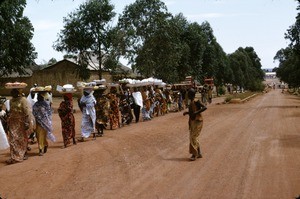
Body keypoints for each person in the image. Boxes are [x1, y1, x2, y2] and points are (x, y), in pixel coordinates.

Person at [6, 87, 31, 164]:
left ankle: (23, 153)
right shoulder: (11, 101)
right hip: (13, 122)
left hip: (21, 123)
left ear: (17, 92)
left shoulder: (23, 100)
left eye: (13, 92)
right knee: (13, 139)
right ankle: (14, 156)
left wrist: (27, 122)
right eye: (11, 92)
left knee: (22, 139)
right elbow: (10, 111)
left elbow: (27, 112)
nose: (11, 93)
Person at [183, 88, 207, 161]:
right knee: (193, 137)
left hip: (198, 121)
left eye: (189, 94)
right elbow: (192, 112)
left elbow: (205, 107)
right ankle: (199, 153)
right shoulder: (192, 102)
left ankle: (194, 154)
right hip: (193, 121)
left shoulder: (196, 101)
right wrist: (187, 113)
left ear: (191, 95)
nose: (188, 96)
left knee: (193, 137)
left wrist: (196, 112)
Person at [33, 90, 56, 156]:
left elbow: (49, 113)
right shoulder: (35, 104)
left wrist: (48, 121)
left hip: (45, 123)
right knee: (38, 136)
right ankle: (42, 147)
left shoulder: (45, 104)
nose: (37, 97)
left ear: (42, 97)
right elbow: (33, 112)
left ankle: (43, 147)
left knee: (43, 136)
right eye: (37, 96)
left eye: (38, 96)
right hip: (38, 122)